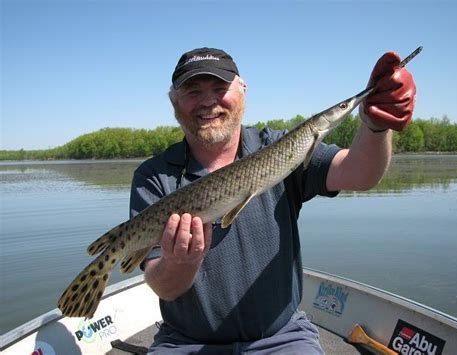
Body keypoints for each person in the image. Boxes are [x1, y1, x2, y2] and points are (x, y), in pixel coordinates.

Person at [130, 47, 416, 354]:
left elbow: (360, 173)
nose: (208, 101)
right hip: (185, 343)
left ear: (242, 91)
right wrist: (178, 263)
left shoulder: (282, 146)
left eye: (219, 88)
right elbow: (165, 286)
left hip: (282, 339)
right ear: (174, 102)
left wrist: (376, 125)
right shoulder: (154, 176)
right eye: (193, 90)